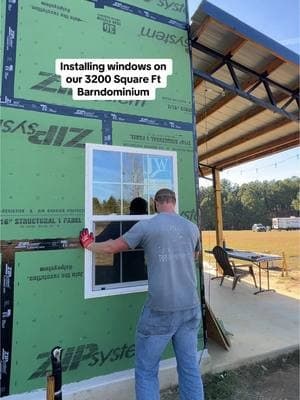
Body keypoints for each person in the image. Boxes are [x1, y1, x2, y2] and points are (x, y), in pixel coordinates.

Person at [80, 188, 204, 400]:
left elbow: (111, 247)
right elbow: (193, 255)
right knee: (190, 367)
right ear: (174, 202)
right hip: (190, 307)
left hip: (160, 310)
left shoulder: (148, 226)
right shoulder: (193, 228)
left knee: (146, 372)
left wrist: (89, 245)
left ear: (156, 203)